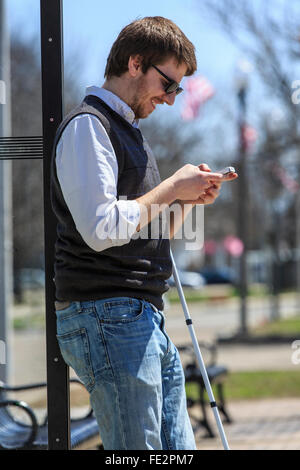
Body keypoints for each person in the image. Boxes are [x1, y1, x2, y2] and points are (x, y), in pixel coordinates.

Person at [51, 16, 237, 450]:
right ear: (135, 63)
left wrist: (185, 201)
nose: (171, 100)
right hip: (108, 315)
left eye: (178, 90)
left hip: (138, 316)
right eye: (168, 84)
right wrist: (172, 186)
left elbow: (146, 236)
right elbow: (101, 230)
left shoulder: (129, 133)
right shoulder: (88, 127)